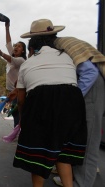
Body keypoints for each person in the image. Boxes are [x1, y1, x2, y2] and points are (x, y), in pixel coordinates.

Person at [11, 19, 89, 187]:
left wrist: (24, 119)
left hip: (41, 100)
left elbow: (22, 99)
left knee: (39, 155)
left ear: (31, 47)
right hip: (73, 101)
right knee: (63, 153)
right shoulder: (67, 57)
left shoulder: (28, 63)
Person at [41, 20, 105, 187]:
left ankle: (82, 184)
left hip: (92, 88)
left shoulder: (62, 46)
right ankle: (73, 178)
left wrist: (73, 99)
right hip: (87, 87)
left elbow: (90, 73)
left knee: (89, 140)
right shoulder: (62, 43)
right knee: (77, 137)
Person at [0, 21, 27, 143]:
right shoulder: (13, 58)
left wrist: (1, 54)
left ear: (23, 51)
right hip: (12, 90)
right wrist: (7, 27)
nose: (15, 47)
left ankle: (19, 133)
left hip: (20, 90)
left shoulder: (20, 60)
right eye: (16, 46)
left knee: (17, 112)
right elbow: (9, 43)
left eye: (19, 46)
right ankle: (18, 132)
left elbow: (11, 58)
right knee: (15, 112)